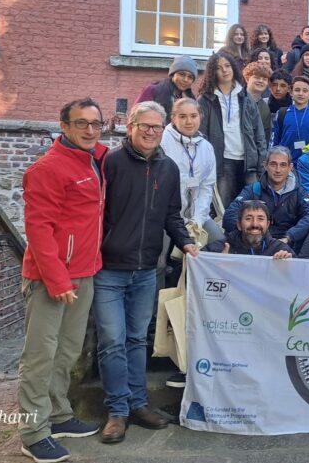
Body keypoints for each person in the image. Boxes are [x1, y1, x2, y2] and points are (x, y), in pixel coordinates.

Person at [95, 102, 198, 444]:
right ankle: (117, 411)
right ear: (131, 127)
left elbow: (172, 215)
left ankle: (138, 404)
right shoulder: (111, 163)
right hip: (109, 269)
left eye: (157, 127)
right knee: (112, 341)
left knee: (138, 340)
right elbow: (96, 213)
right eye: (145, 126)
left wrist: (186, 243)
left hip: (146, 270)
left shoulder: (169, 168)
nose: (151, 132)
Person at [17, 98, 107, 463]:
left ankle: (57, 415)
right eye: (81, 123)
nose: (90, 130)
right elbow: (38, 229)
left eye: (96, 123)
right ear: (64, 126)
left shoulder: (95, 160)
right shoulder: (48, 168)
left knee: (67, 351)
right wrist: (57, 280)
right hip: (52, 278)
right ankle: (33, 432)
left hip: (84, 272)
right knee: (40, 356)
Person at [160, 98, 222, 268]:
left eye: (193, 116)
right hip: (167, 216)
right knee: (159, 262)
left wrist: (197, 220)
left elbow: (207, 187)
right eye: (182, 116)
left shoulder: (206, 147)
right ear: (173, 118)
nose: (189, 121)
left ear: (200, 117)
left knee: (220, 243)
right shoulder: (162, 141)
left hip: (196, 214)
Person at [199, 52, 267, 205]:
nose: (224, 70)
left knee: (251, 207)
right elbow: (201, 135)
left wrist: (261, 163)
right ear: (212, 72)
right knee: (224, 208)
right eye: (219, 68)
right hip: (222, 163)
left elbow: (259, 134)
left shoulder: (246, 97)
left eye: (227, 66)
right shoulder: (206, 100)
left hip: (248, 163)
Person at [222, 147, 309, 251]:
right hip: (255, 242)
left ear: (290, 167)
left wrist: (289, 236)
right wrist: (253, 233)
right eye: (273, 164)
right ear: (265, 166)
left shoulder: (299, 192)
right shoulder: (254, 189)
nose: (278, 170)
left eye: (283, 165)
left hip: (287, 245)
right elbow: (229, 216)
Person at [208, 200, 295, 259]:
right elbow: (201, 269)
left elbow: (298, 274)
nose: (255, 224)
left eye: (260, 219)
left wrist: (287, 267)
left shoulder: (280, 250)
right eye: (248, 219)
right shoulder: (217, 249)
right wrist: (218, 264)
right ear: (239, 225)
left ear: (267, 225)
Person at [272, 75, 309, 162]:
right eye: (297, 90)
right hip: (285, 162)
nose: (300, 94)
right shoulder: (282, 113)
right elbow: (274, 140)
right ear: (291, 92)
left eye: (305, 91)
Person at [135, 55, 198, 122]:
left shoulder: (189, 99)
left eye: (190, 77)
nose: (185, 80)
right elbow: (136, 116)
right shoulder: (153, 90)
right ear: (173, 74)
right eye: (182, 74)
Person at [243, 62, 272, 147]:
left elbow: (265, 136)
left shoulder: (265, 108)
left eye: (264, 79)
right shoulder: (236, 99)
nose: (261, 81)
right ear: (247, 79)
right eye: (257, 77)